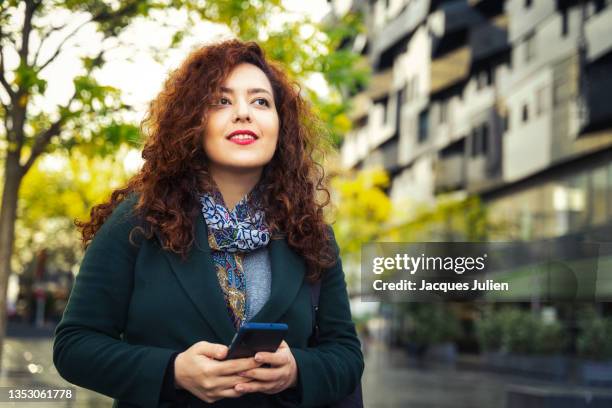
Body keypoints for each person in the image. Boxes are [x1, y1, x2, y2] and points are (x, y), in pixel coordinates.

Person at [53, 39, 364, 407]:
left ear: (281, 126)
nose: (244, 113)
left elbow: (345, 353)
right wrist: (173, 371)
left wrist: (296, 370)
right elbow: (75, 345)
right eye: (222, 100)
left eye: (261, 101)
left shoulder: (311, 234)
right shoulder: (140, 219)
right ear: (193, 122)